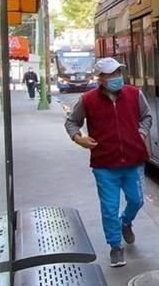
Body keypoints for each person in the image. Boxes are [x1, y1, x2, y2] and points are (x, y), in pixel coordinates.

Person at [64, 57, 152, 268]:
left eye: (118, 73)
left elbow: (146, 117)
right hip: (104, 164)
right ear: (100, 78)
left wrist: (140, 134)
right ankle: (115, 246)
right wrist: (79, 138)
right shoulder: (87, 100)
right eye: (112, 74)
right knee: (109, 207)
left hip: (133, 160)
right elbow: (72, 122)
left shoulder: (134, 94)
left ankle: (126, 222)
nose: (117, 78)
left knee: (137, 200)